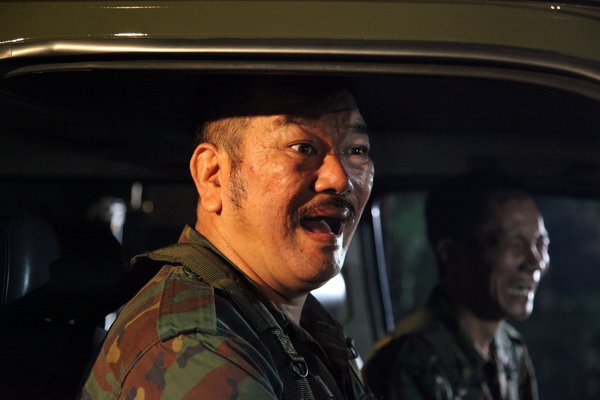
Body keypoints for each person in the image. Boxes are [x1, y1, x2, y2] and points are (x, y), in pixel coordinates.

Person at [80, 77, 375, 399]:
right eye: (302, 148)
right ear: (213, 176)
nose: (340, 179)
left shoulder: (293, 326)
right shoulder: (195, 346)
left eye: (356, 150)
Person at [362, 176, 549, 400]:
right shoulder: (410, 362)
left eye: (541, 244)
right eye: (514, 244)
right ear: (452, 254)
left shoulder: (511, 349)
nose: (536, 262)